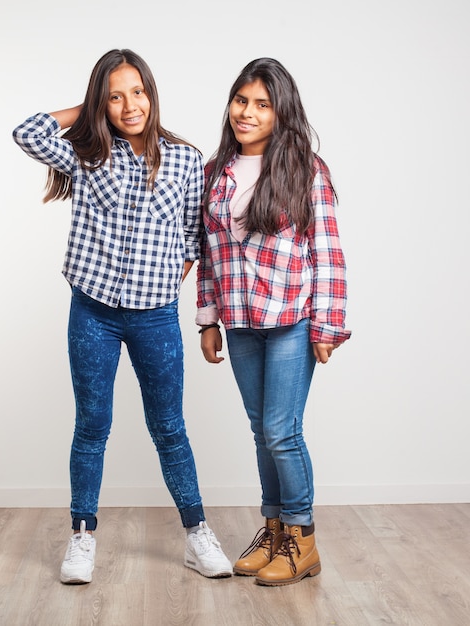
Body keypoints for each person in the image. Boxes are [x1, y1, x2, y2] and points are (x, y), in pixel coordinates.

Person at [12, 49, 232, 584]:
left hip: (155, 317)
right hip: (93, 312)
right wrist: (85, 110)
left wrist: (159, 285)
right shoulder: (86, 154)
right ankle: (82, 536)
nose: (129, 105)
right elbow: (26, 131)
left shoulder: (185, 159)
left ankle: (196, 533)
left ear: (152, 95)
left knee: (169, 428)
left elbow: (191, 237)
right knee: (92, 425)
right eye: (114, 95)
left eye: (137, 92)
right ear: (102, 103)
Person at [196, 57, 351, 587]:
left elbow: (327, 251)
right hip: (239, 323)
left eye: (262, 104)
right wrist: (208, 320)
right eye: (242, 100)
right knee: (262, 432)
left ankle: (301, 539)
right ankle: (273, 532)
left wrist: (328, 325)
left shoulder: (307, 170)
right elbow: (210, 251)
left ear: (282, 113)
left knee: (283, 432)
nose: (248, 112)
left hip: (291, 319)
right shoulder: (216, 171)